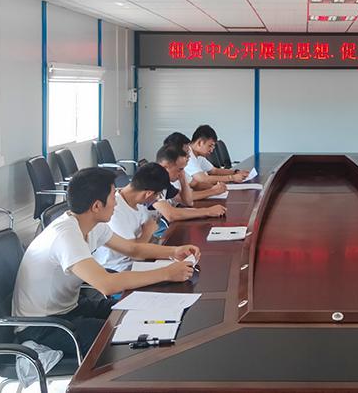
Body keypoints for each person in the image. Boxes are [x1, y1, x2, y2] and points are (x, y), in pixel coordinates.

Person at [13, 168, 200, 357]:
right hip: (43, 326)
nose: (116, 202)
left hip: (71, 307)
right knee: (125, 335)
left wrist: (174, 251)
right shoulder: (66, 236)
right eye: (112, 197)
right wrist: (167, 273)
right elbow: (107, 284)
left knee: (138, 313)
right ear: (96, 206)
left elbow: (132, 249)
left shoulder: (92, 225)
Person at [93, 163, 170, 272]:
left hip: (140, 261)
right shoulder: (115, 210)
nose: (156, 199)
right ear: (148, 193)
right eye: (157, 195)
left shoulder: (139, 204)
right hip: (120, 268)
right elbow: (135, 253)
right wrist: (148, 232)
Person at [154, 145, 227, 222]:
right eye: (180, 169)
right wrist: (208, 211)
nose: (181, 173)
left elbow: (188, 202)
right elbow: (171, 215)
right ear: (165, 166)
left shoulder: (165, 182)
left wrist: (182, 178)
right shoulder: (152, 181)